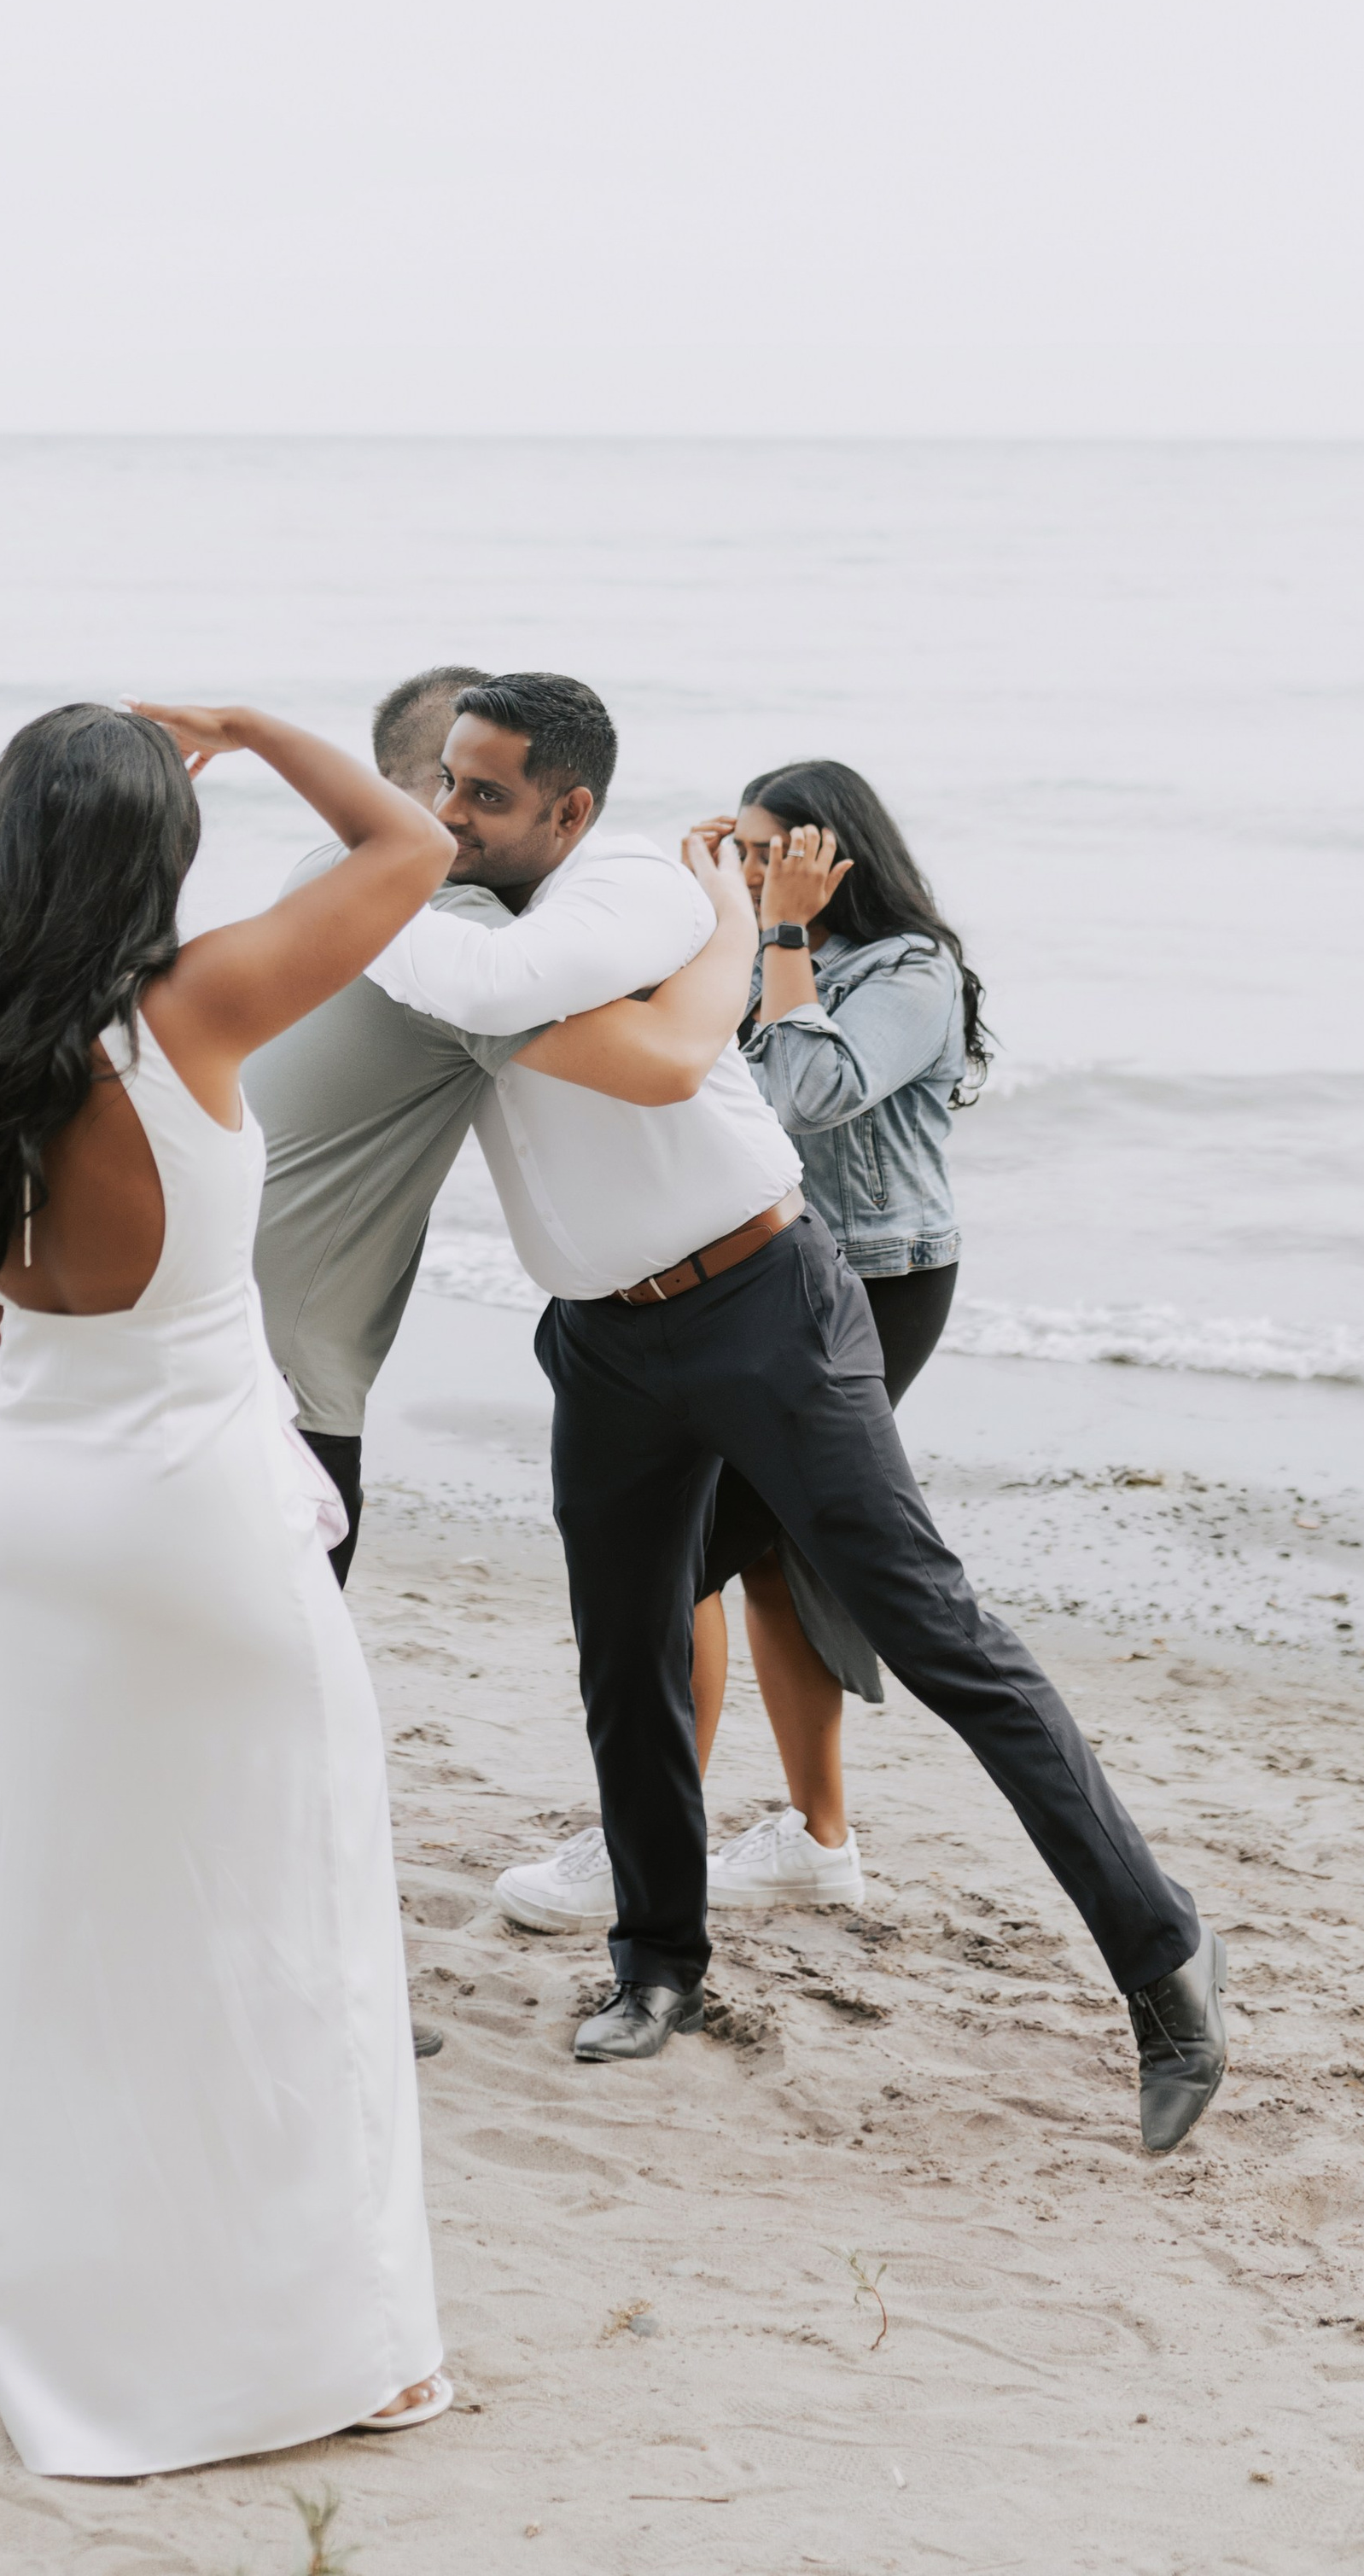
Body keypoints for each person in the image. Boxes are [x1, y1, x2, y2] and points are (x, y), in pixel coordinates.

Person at [371, 672, 1226, 2152]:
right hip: (607, 1341)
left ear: (569, 809)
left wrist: (734, 919)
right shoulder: (462, 927)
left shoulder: (637, 883)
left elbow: (602, 1025)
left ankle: (1163, 1962)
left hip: (766, 1303)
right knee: (625, 1651)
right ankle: (658, 1965)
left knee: (933, 1626)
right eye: (441, 786)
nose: (451, 817)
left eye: (485, 795)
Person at [0, 698, 460, 2479]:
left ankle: (98, 2347)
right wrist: (259, 728)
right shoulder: (190, 1009)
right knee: (288, 1918)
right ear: (152, 855)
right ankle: (341, 2356)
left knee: (79, 1936)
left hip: (41, 1513)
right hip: (196, 1520)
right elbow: (412, 849)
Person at [512, 762, 986, 1930]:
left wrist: (771, 931)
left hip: (873, 1282)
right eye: (752, 847)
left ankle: (649, 1837)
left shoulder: (905, 970)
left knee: (689, 1562)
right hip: (764, 1284)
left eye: (784, 850)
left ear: (841, 858)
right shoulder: (755, 941)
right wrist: (705, 901)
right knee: (771, 1557)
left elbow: (809, 1093)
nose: (765, 869)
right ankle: (814, 1841)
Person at [247, 664, 713, 1587]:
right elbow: (664, 1063)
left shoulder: (327, 867)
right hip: (287, 1378)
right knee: (285, 1677)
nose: (469, 815)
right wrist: (739, 915)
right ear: (422, 788)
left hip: (213, 1322)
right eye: (461, 787)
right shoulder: (446, 925)